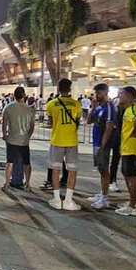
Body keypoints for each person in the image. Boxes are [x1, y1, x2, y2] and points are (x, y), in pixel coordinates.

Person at [45, 79, 82, 210]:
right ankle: (68, 201)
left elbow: (50, 123)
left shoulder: (51, 104)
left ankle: (56, 200)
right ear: (70, 89)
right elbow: (77, 122)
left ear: (58, 89)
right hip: (72, 140)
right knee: (72, 171)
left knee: (56, 170)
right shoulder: (76, 104)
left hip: (57, 140)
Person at [115, 86, 136, 216]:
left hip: (132, 147)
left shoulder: (133, 109)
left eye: (121, 94)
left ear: (128, 96)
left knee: (131, 175)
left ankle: (133, 205)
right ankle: (132, 202)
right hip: (128, 147)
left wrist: (133, 133)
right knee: (126, 173)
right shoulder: (129, 109)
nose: (119, 96)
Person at [88, 83, 118, 210]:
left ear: (105, 93)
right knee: (101, 169)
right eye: (96, 93)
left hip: (102, 144)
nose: (96, 96)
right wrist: (93, 108)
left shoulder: (109, 107)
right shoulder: (99, 107)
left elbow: (109, 127)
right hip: (96, 143)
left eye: (98, 93)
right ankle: (103, 192)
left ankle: (105, 198)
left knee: (104, 169)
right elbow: (89, 120)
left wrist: (102, 146)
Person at [2, 86, 35, 191]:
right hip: (24, 140)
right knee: (27, 163)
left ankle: (7, 183)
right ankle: (28, 184)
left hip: (12, 139)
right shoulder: (29, 109)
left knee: (9, 162)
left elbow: (4, 124)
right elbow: (32, 126)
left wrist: (5, 135)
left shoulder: (8, 107)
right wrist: (28, 136)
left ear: (14, 95)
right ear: (24, 95)